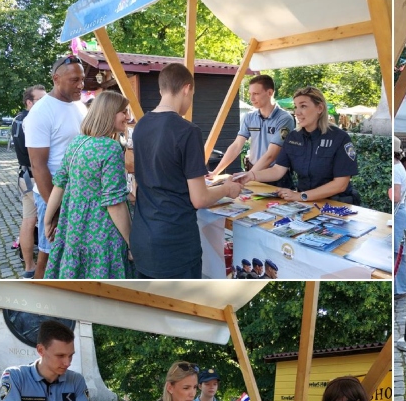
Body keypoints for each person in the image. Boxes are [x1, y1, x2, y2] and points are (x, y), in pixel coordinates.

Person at [131, 63, 243, 278]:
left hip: (143, 237)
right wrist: (227, 189)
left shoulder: (141, 126)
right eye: (192, 94)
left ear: (161, 89)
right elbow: (199, 199)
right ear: (186, 88)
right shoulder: (187, 131)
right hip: (175, 243)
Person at [42, 91, 133, 279]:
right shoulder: (110, 148)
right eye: (123, 112)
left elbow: (60, 184)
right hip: (102, 232)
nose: (127, 117)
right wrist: (132, 242)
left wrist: (47, 219)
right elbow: (114, 204)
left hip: (74, 229)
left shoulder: (77, 142)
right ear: (109, 113)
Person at [232, 86, 358, 204]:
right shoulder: (293, 137)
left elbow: (340, 184)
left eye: (303, 106)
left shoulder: (340, 138)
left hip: (336, 205)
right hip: (306, 204)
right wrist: (250, 175)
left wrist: (301, 196)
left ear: (320, 108)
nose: (297, 112)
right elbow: (277, 170)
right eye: (296, 107)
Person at [25, 56, 89, 279]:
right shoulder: (41, 112)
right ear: (56, 79)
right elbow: (38, 165)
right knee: (48, 256)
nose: (81, 85)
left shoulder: (80, 106)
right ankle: (33, 309)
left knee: (71, 256)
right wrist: (55, 208)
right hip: (51, 196)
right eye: (74, 80)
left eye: (82, 79)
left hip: (78, 195)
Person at [209, 75, 294, 183]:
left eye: (256, 94)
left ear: (270, 93)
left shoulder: (285, 119)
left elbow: (271, 155)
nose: (251, 98)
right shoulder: (249, 117)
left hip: (275, 176)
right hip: (253, 172)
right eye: (250, 94)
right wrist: (215, 172)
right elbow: (236, 146)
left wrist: (249, 176)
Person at [11, 84, 46, 277]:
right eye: (40, 100)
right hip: (34, 177)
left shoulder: (18, 119)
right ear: (29, 102)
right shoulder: (31, 120)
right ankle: (40, 268)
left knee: (28, 220)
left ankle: (29, 267)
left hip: (25, 176)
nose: (45, 104)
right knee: (45, 221)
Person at [394, 137, 406, 297]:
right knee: (399, 252)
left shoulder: (395, 170)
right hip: (400, 212)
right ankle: (401, 287)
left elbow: (396, 196)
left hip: (398, 213)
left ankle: (401, 288)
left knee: (398, 253)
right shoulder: (398, 167)